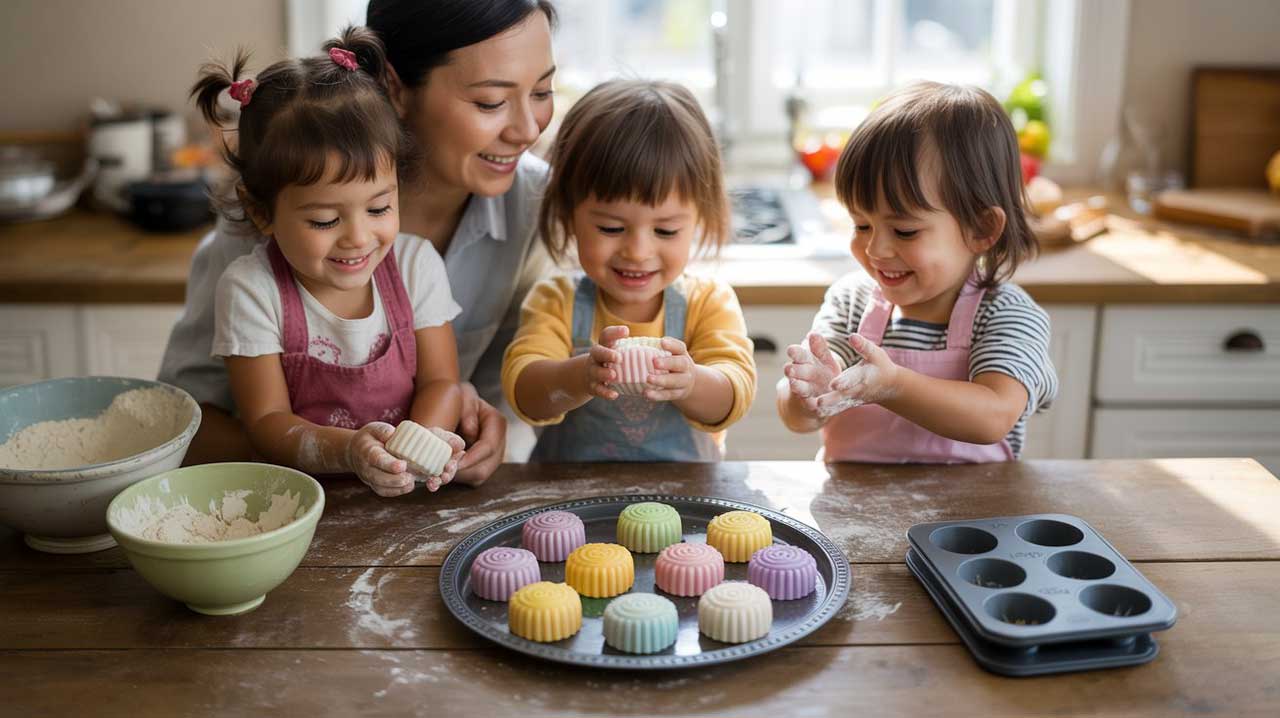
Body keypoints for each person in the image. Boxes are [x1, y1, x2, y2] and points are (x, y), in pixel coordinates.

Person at [158, 0, 559, 485]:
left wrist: (477, 427)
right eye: (490, 102)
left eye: (542, 91)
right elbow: (185, 427)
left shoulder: (538, 206)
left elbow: (498, 392)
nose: (529, 129)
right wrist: (341, 455)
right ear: (394, 86)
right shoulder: (265, 231)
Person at [193, 28, 469, 497]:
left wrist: (419, 446)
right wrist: (351, 452)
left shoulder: (415, 265)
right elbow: (267, 422)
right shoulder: (251, 289)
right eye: (324, 220)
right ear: (261, 212)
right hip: (300, 501)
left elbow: (442, 381)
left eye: (379, 208)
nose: (359, 238)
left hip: (404, 495)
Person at [777, 81, 1058, 463]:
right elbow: (798, 420)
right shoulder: (851, 301)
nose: (875, 249)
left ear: (981, 229)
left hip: (975, 515)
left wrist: (893, 386)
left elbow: (993, 415)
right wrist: (807, 393)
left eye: (904, 231)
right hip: (852, 511)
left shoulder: (1005, 314)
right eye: (861, 225)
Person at [502, 79, 756, 461]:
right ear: (569, 216)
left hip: (684, 498)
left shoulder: (708, 302)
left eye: (666, 230)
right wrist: (580, 377)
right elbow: (525, 393)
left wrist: (691, 383)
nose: (638, 252)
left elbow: (733, 396)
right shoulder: (556, 300)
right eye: (611, 228)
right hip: (572, 499)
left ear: (699, 219)